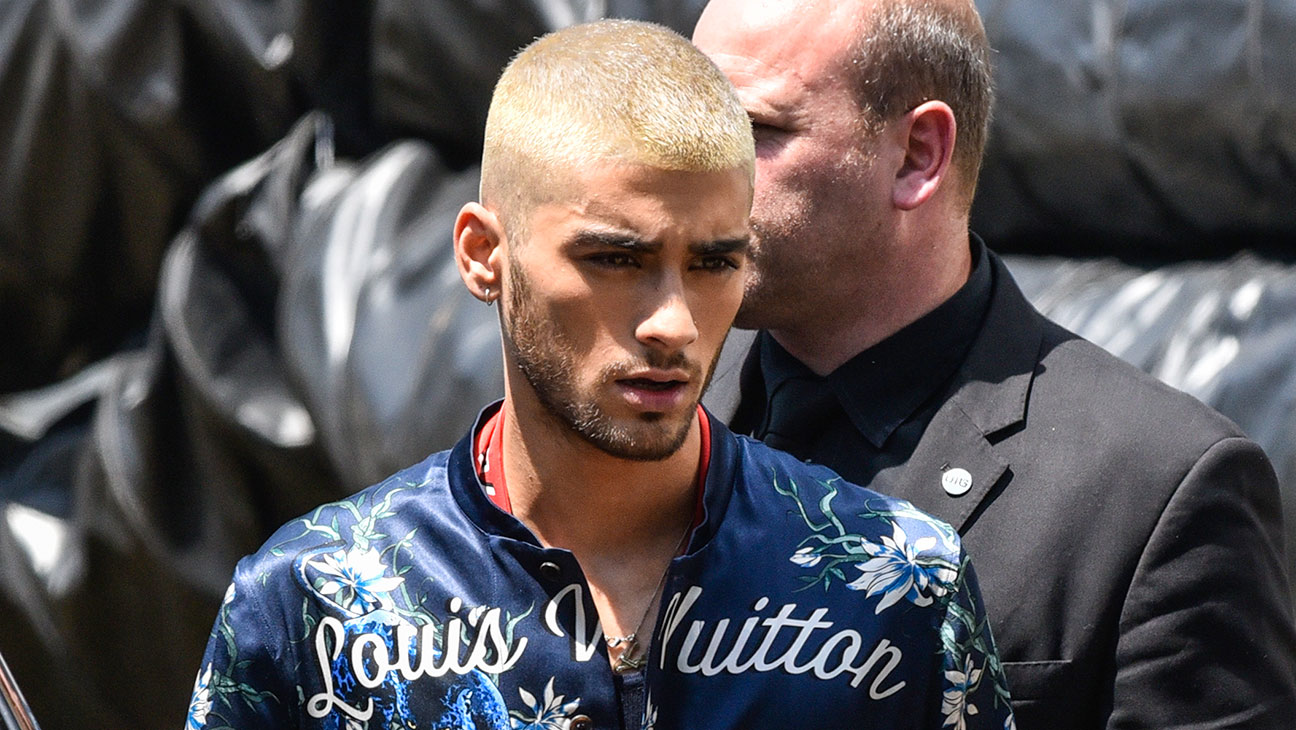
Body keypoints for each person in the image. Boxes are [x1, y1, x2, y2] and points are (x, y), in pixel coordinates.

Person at [183, 19, 1013, 730]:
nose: (674, 323)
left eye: (716, 263)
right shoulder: (316, 600)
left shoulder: (894, 587)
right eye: (617, 258)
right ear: (484, 254)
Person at [692, 0, 1296, 728]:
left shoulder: (1159, 491)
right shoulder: (647, 407)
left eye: (756, 130)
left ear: (918, 154)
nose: (693, 169)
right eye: (693, 122)